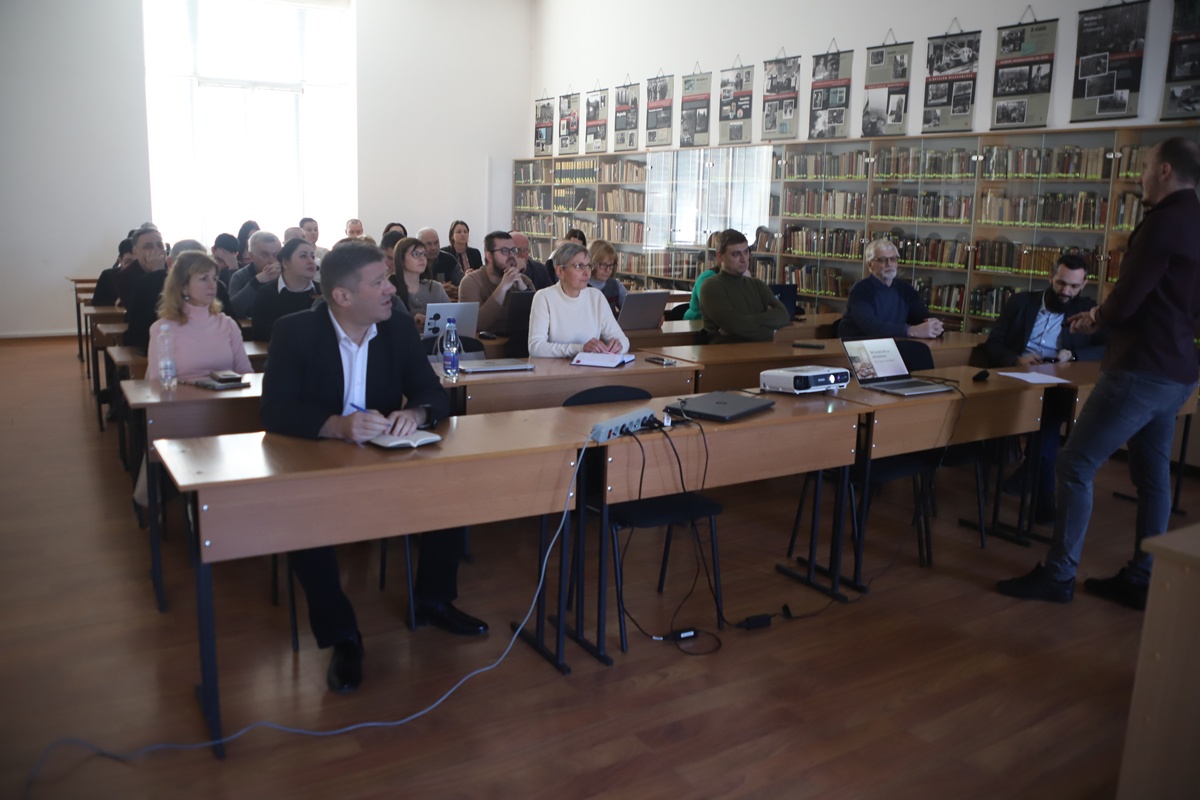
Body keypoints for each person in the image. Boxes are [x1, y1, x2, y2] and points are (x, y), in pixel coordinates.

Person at [260, 241, 485, 693]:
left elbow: (433, 393)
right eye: (379, 282)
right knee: (304, 524)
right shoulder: (294, 332)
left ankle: (433, 601)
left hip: (383, 456)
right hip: (316, 459)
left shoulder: (397, 328)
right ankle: (342, 636)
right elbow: (275, 410)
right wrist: (335, 425)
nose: (390, 290)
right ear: (342, 296)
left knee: (448, 489)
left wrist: (416, 413)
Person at [997, 137, 1200, 610]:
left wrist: (1097, 318)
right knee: (1154, 476)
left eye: (1145, 166)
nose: (1140, 175)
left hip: (1140, 367)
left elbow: (1130, 294)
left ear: (1165, 171)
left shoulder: (1162, 223)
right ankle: (1143, 577)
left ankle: (1059, 574)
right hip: (1179, 371)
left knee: (1075, 464)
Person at [984, 255, 1108, 522]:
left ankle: (1040, 491)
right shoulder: (1021, 302)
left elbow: (1107, 347)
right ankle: (1040, 492)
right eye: (1061, 283)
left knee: (1047, 420)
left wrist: (1073, 355)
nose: (1066, 291)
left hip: (1058, 382)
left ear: (1084, 284)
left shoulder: (1088, 310)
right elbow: (993, 343)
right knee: (1045, 425)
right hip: (1017, 376)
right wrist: (1016, 358)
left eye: (1074, 286)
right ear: (1050, 277)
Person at [528, 242, 629, 358]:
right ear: (560, 271)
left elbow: (623, 340)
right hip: (553, 368)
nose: (586, 273)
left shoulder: (596, 297)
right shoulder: (544, 297)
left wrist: (618, 346)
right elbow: (535, 347)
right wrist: (580, 349)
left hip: (588, 367)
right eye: (579, 266)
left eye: (588, 266)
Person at [840, 239, 944, 340]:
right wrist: (910, 330)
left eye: (893, 259)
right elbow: (871, 327)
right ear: (870, 265)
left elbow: (922, 317)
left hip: (893, 343)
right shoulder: (860, 291)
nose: (889, 264)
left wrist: (934, 326)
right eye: (882, 260)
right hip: (858, 345)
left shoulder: (906, 289)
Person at [698, 229, 790, 343]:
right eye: (736, 254)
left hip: (761, 350)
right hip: (725, 351)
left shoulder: (757, 284)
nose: (744, 259)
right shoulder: (711, 286)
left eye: (746, 252)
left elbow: (783, 316)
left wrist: (743, 320)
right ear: (720, 257)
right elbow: (734, 326)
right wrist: (772, 333)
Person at [125, 238, 213, 351]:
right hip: (165, 352)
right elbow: (138, 334)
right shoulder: (145, 285)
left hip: (208, 350)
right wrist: (156, 276)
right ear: (170, 263)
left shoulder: (215, 286)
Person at [458, 231, 535, 333]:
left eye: (514, 250)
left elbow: (537, 320)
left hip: (518, 339)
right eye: (505, 251)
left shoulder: (524, 280)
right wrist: (502, 288)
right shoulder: (471, 282)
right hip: (485, 341)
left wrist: (524, 291)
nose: (511, 255)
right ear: (489, 256)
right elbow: (477, 324)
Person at [250, 237, 321, 341]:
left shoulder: (324, 292)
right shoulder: (267, 294)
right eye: (303, 256)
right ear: (285, 263)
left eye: (312, 256)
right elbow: (260, 333)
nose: (311, 261)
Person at [389, 236, 449, 332]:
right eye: (415, 254)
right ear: (401, 260)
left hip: (435, 339)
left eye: (424, 254)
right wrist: (410, 324)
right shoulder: (389, 290)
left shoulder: (436, 288)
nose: (422, 258)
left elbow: (450, 318)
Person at [227, 231, 283, 318]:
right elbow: (233, 311)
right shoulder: (240, 276)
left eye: (276, 255)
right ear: (252, 256)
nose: (272, 261)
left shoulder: (287, 274)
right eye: (265, 255)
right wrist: (256, 282)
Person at [113, 225, 164, 308]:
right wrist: (157, 272)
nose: (156, 250)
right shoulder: (124, 277)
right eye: (148, 246)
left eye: (160, 245)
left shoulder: (173, 270)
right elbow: (144, 311)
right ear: (135, 252)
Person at [417, 227, 464, 298]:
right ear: (418, 246)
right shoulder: (414, 262)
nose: (434, 248)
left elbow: (462, 284)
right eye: (428, 244)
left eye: (436, 243)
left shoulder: (449, 259)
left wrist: (456, 290)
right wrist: (438, 290)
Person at [92, 237, 135, 307]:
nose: (133, 266)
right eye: (128, 262)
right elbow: (96, 303)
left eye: (137, 262)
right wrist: (115, 303)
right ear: (120, 260)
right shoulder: (107, 276)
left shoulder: (146, 276)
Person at [586, 240, 628, 313]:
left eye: (611, 265)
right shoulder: (581, 286)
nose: (608, 270)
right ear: (591, 263)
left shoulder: (616, 285)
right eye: (603, 265)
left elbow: (629, 309)